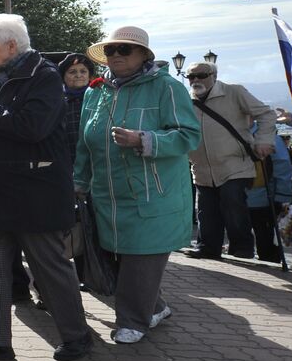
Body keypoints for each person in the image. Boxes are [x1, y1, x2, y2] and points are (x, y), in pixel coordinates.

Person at [0, 14, 93, 361]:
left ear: (11, 45)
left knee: (51, 270)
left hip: (34, 196)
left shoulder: (43, 77)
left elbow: (33, 127)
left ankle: (76, 336)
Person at [75, 26, 199, 344]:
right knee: (117, 256)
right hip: (107, 194)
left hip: (152, 194)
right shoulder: (96, 91)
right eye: (112, 50)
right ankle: (154, 306)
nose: (116, 55)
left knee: (140, 258)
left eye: (124, 50)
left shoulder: (167, 87)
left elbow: (189, 135)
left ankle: (133, 321)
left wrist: (144, 139)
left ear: (144, 55)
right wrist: (79, 182)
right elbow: (84, 143)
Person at [184, 61, 277, 259]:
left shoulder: (234, 92)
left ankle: (242, 247)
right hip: (201, 167)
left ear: (214, 75)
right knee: (205, 210)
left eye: (201, 75)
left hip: (235, 164)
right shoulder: (185, 100)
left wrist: (263, 140)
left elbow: (267, 114)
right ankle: (207, 247)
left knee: (232, 203)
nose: (195, 80)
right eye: (191, 76)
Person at [246, 125, 292, 264]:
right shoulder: (267, 134)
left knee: (240, 241)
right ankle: (269, 263)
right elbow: (282, 166)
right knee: (266, 240)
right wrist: (283, 197)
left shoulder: (229, 130)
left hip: (235, 195)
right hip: (263, 197)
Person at [56, 53, 98, 164]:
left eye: (83, 71)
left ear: (89, 76)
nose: (78, 75)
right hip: (66, 163)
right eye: (72, 72)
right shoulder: (56, 103)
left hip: (97, 163)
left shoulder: (100, 99)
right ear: (63, 77)